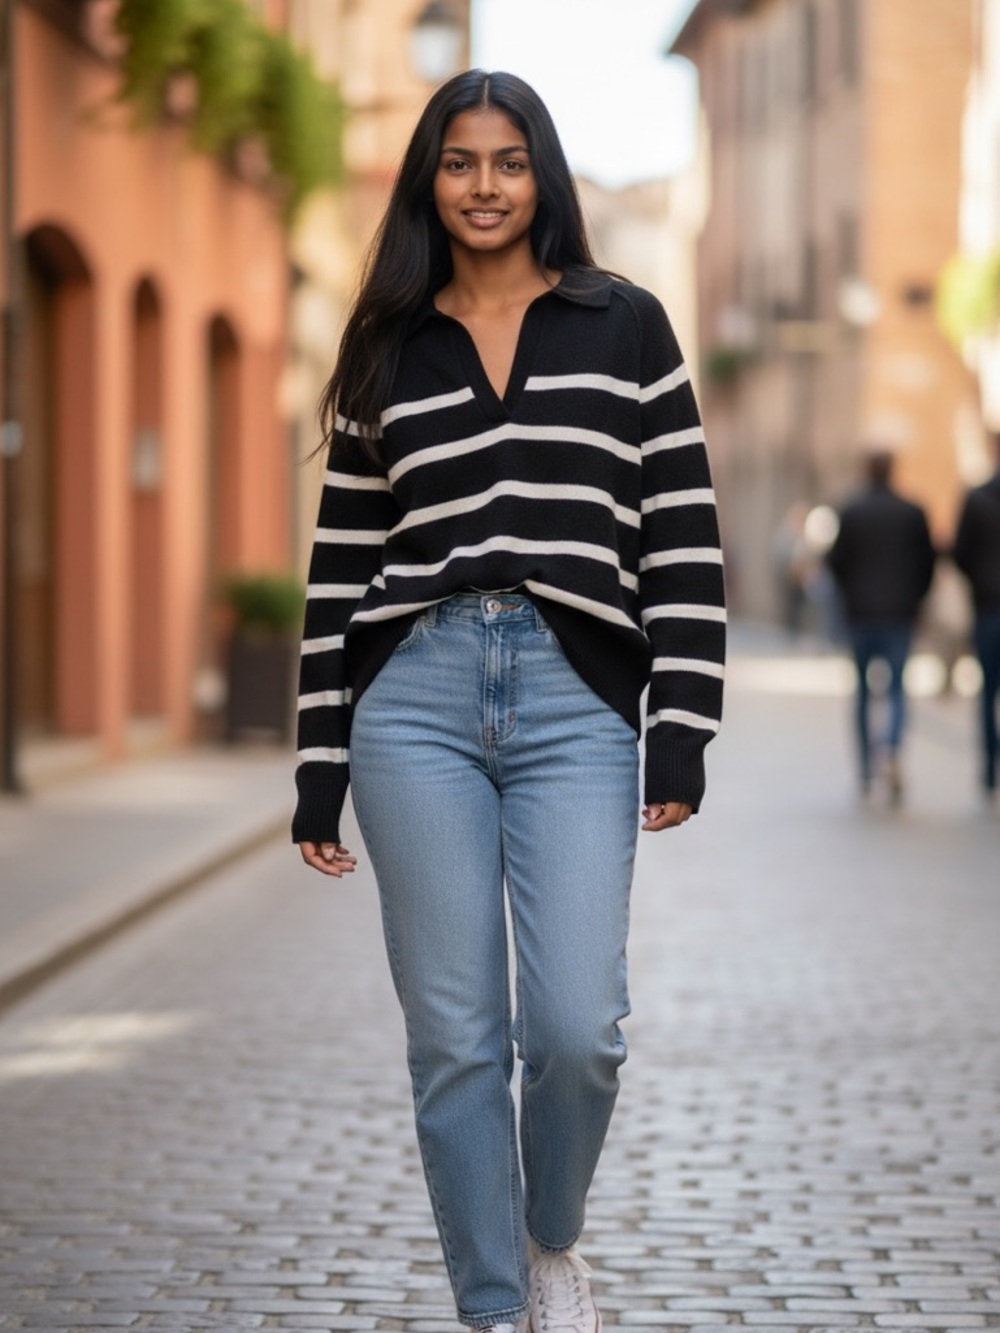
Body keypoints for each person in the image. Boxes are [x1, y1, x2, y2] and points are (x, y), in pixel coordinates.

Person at [292, 70, 725, 1333]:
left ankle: (549, 1238)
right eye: (460, 162)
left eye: (509, 161)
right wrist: (319, 759)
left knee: (578, 1025)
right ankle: (495, 1307)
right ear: (428, 177)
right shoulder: (390, 341)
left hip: (575, 693)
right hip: (412, 696)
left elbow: (682, 536)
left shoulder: (624, 322)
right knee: (454, 1038)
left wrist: (681, 725)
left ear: (544, 175)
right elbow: (340, 574)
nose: (485, 187)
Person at [826, 447, 936, 802]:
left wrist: (850, 595)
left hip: (860, 616)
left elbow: (835, 561)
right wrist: (915, 598)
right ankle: (890, 745)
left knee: (862, 692)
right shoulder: (912, 512)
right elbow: (928, 563)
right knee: (897, 688)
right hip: (899, 615)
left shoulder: (852, 511)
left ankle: (865, 770)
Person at [953, 432, 1000, 797]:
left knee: (988, 691)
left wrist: (979, 580)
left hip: (987, 607)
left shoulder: (977, 498)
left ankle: (989, 768)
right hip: (986, 604)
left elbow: (960, 553)